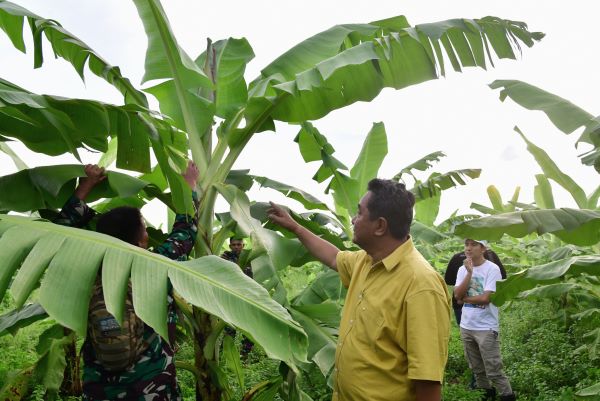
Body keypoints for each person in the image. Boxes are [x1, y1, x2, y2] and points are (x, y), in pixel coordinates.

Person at [268, 179, 450, 401]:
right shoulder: (366, 261)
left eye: (360, 213)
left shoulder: (421, 285)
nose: (353, 220)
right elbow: (333, 257)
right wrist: (295, 227)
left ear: (380, 226)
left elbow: (428, 381)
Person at [55, 162, 199, 401]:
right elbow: (186, 229)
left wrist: (86, 185)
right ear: (140, 241)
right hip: (153, 386)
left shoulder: (89, 270)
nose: (146, 232)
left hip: (100, 389)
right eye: (143, 229)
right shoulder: (158, 264)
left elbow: (59, 233)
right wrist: (189, 185)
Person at [454, 239, 516, 401]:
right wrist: (469, 273)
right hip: (466, 326)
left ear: (483, 248)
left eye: (473, 245)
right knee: (477, 370)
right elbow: (456, 296)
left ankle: (507, 396)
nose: (468, 248)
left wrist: (464, 299)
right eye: (466, 244)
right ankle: (486, 395)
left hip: (486, 328)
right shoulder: (462, 269)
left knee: (494, 370)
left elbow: (486, 298)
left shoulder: (492, 268)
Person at [445, 248, 507, 325]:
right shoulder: (491, 254)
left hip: (461, 303)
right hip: (484, 306)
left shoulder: (457, 257)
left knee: (466, 330)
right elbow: (503, 276)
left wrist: (462, 286)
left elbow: (448, 280)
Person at [220, 237, 254, 358]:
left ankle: (245, 356)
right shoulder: (225, 257)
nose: (236, 247)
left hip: (247, 298)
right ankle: (225, 355)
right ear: (230, 246)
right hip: (230, 297)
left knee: (249, 329)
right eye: (233, 245)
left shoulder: (250, 258)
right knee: (229, 329)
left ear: (243, 245)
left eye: (238, 244)